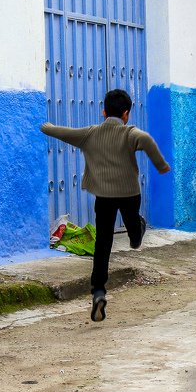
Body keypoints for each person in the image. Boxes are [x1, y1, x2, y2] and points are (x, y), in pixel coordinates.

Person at [40, 89, 170, 322]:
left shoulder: (91, 134)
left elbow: (64, 133)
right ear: (126, 114)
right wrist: (160, 165)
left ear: (103, 112)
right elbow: (148, 141)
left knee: (103, 243)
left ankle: (98, 291)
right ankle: (136, 235)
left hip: (104, 196)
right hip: (129, 193)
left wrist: (45, 127)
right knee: (134, 226)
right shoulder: (130, 133)